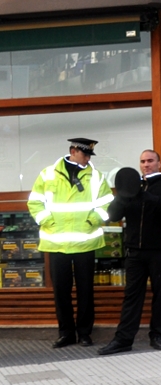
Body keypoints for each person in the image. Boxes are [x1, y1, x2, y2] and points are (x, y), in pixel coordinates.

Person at [98, 150, 161, 355]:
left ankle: (157, 335)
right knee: (132, 295)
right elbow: (112, 216)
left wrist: (152, 199)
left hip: (160, 251)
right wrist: (123, 195)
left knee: (160, 293)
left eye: (150, 161)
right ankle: (123, 339)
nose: (146, 165)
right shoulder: (132, 188)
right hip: (134, 252)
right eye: (142, 162)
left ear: (158, 163)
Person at [27, 138, 113, 348]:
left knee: (86, 291)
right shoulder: (48, 174)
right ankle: (66, 333)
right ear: (73, 151)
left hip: (85, 242)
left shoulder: (95, 176)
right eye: (84, 155)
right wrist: (48, 221)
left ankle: (84, 333)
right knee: (61, 292)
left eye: (89, 156)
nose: (87, 160)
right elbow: (35, 202)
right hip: (56, 243)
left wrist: (91, 221)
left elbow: (107, 203)